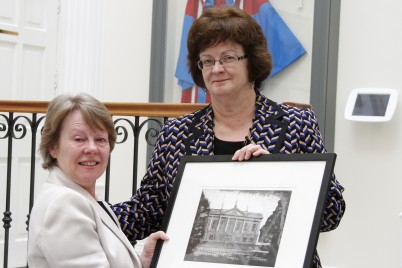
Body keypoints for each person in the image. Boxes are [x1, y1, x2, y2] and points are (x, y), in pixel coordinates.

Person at [112, 6, 345, 268]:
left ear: (252, 63)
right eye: (208, 61)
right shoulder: (175, 132)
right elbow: (146, 210)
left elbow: (331, 213)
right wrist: (91, 214)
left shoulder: (297, 123)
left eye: (228, 58)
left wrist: (280, 175)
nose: (217, 68)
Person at [27, 93, 168, 268]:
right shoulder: (65, 204)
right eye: (79, 139)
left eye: (100, 139)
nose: (92, 148)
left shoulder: (81, 197)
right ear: (53, 148)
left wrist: (142, 262)